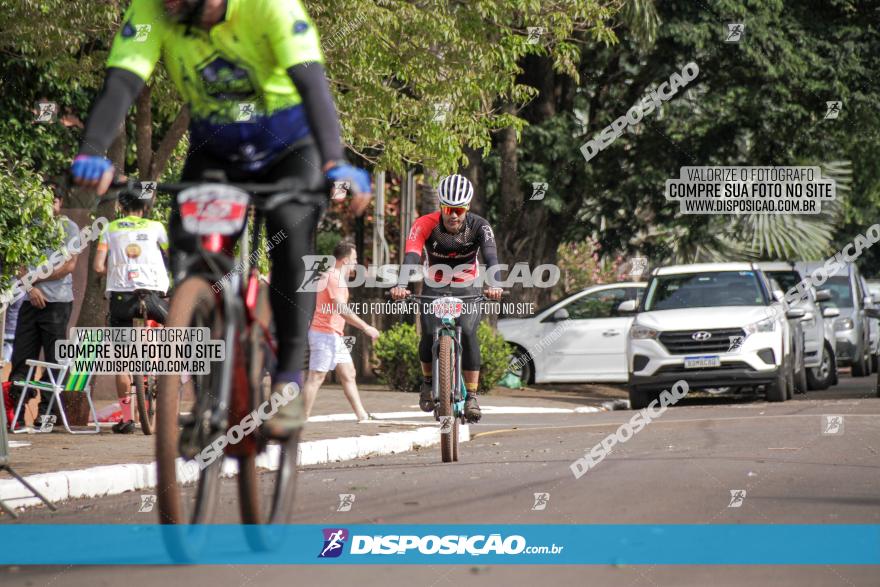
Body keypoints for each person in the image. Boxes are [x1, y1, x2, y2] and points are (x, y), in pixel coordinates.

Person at [70, 0, 371, 439]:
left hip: (290, 148)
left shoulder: (271, 7)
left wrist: (334, 162)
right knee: (192, 253)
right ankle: (213, 390)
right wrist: (93, 150)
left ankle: (286, 378)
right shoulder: (156, 9)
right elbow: (122, 82)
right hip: (216, 148)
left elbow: (313, 84)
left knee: (289, 235)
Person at [390, 174, 503, 423]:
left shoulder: (480, 226)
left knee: (468, 331)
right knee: (429, 334)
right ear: (441, 206)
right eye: (448, 208)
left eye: (459, 209)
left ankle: (472, 396)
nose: (454, 215)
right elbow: (411, 256)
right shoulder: (424, 224)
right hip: (434, 285)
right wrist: (401, 284)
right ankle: (428, 384)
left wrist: (495, 284)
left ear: (468, 207)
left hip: (468, 286)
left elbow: (491, 257)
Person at [93, 188, 170, 434]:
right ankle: (160, 369)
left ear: (121, 207)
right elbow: (171, 256)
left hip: (121, 298)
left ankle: (126, 419)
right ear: (145, 207)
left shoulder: (110, 229)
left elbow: (97, 266)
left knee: (122, 361)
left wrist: (117, 273)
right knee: (176, 331)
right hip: (153, 294)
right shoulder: (157, 227)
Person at [8, 192, 80, 426]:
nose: (48, 205)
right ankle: (16, 416)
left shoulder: (70, 228)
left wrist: (34, 280)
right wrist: (31, 289)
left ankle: (46, 415)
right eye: (43, 199)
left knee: (54, 360)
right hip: (29, 301)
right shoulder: (28, 225)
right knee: (20, 359)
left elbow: (69, 266)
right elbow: (18, 263)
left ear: (60, 203)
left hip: (57, 303)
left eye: (53, 200)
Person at [302, 241, 380, 422]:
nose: (356, 264)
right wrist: (366, 327)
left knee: (348, 374)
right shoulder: (333, 278)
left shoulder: (334, 278)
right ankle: (302, 418)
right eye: (354, 259)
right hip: (324, 334)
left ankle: (362, 415)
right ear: (345, 260)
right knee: (316, 377)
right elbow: (342, 310)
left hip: (334, 335)